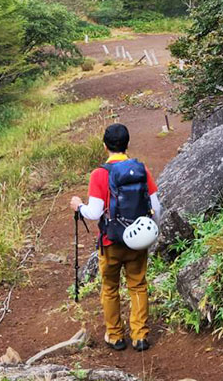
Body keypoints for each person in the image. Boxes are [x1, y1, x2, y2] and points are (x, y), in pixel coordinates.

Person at [70, 123, 162, 352]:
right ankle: (140, 336)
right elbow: (156, 207)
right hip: (138, 240)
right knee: (138, 285)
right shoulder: (142, 170)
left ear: (105, 146)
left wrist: (78, 206)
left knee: (110, 287)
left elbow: (94, 212)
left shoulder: (100, 174)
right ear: (127, 144)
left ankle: (115, 336)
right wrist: (149, 232)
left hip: (111, 242)